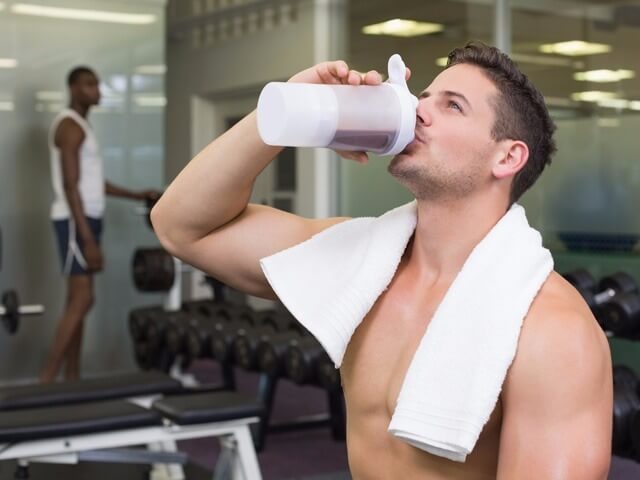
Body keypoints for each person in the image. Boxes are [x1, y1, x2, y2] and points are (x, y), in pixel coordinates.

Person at [151, 42, 612, 478]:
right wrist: (287, 111)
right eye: (422, 97)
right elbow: (181, 227)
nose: (418, 110)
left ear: (507, 157)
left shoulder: (552, 331)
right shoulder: (362, 263)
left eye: (452, 106)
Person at [42, 66, 160, 383]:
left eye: (97, 85)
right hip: (75, 220)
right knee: (83, 299)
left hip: (86, 217)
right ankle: (45, 380)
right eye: (89, 85)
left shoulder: (82, 125)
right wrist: (89, 240)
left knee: (77, 301)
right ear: (73, 88)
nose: (97, 91)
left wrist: (136, 194)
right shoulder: (70, 126)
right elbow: (70, 186)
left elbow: (91, 183)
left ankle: (72, 377)